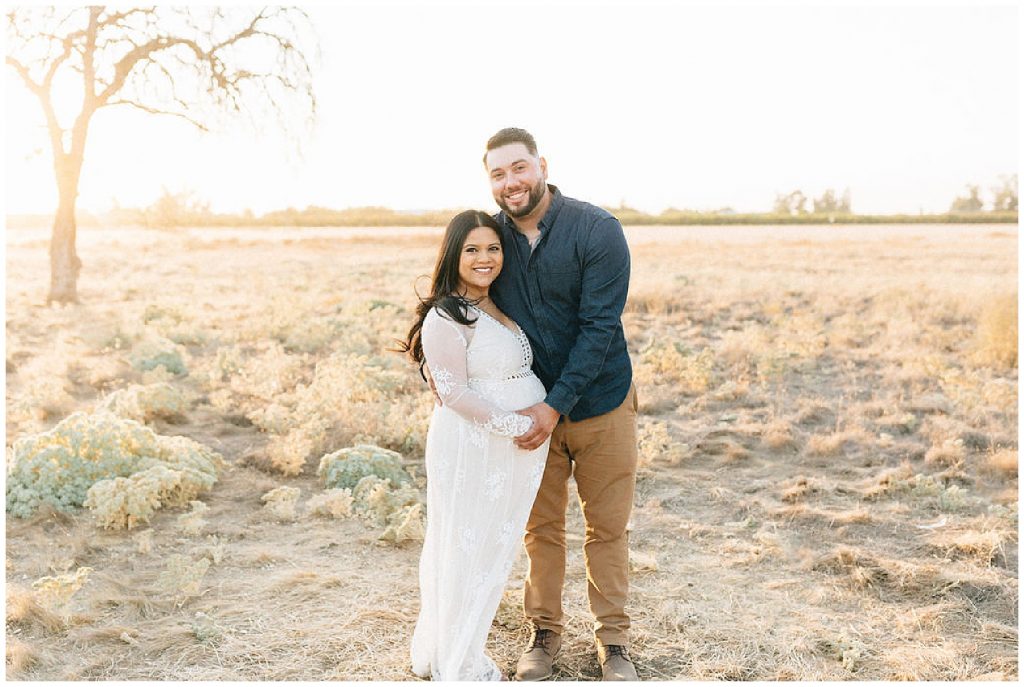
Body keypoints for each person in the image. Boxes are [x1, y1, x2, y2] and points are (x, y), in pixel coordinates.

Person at [484, 128, 640, 681]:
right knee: (540, 530)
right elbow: (459, 303)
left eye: (519, 168)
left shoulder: (597, 230)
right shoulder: (490, 241)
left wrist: (556, 405)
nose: (511, 182)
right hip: (530, 412)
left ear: (541, 165)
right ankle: (543, 633)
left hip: (602, 403)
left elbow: (599, 329)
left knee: (607, 529)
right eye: (498, 174)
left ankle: (614, 643)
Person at [401, 210, 552, 681]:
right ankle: (457, 657)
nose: (485, 259)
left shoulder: (496, 304)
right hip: (475, 447)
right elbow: (453, 393)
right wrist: (515, 425)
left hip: (509, 449)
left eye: (493, 248)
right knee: (467, 549)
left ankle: (460, 641)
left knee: (495, 549)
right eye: (472, 250)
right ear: (454, 254)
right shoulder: (447, 313)